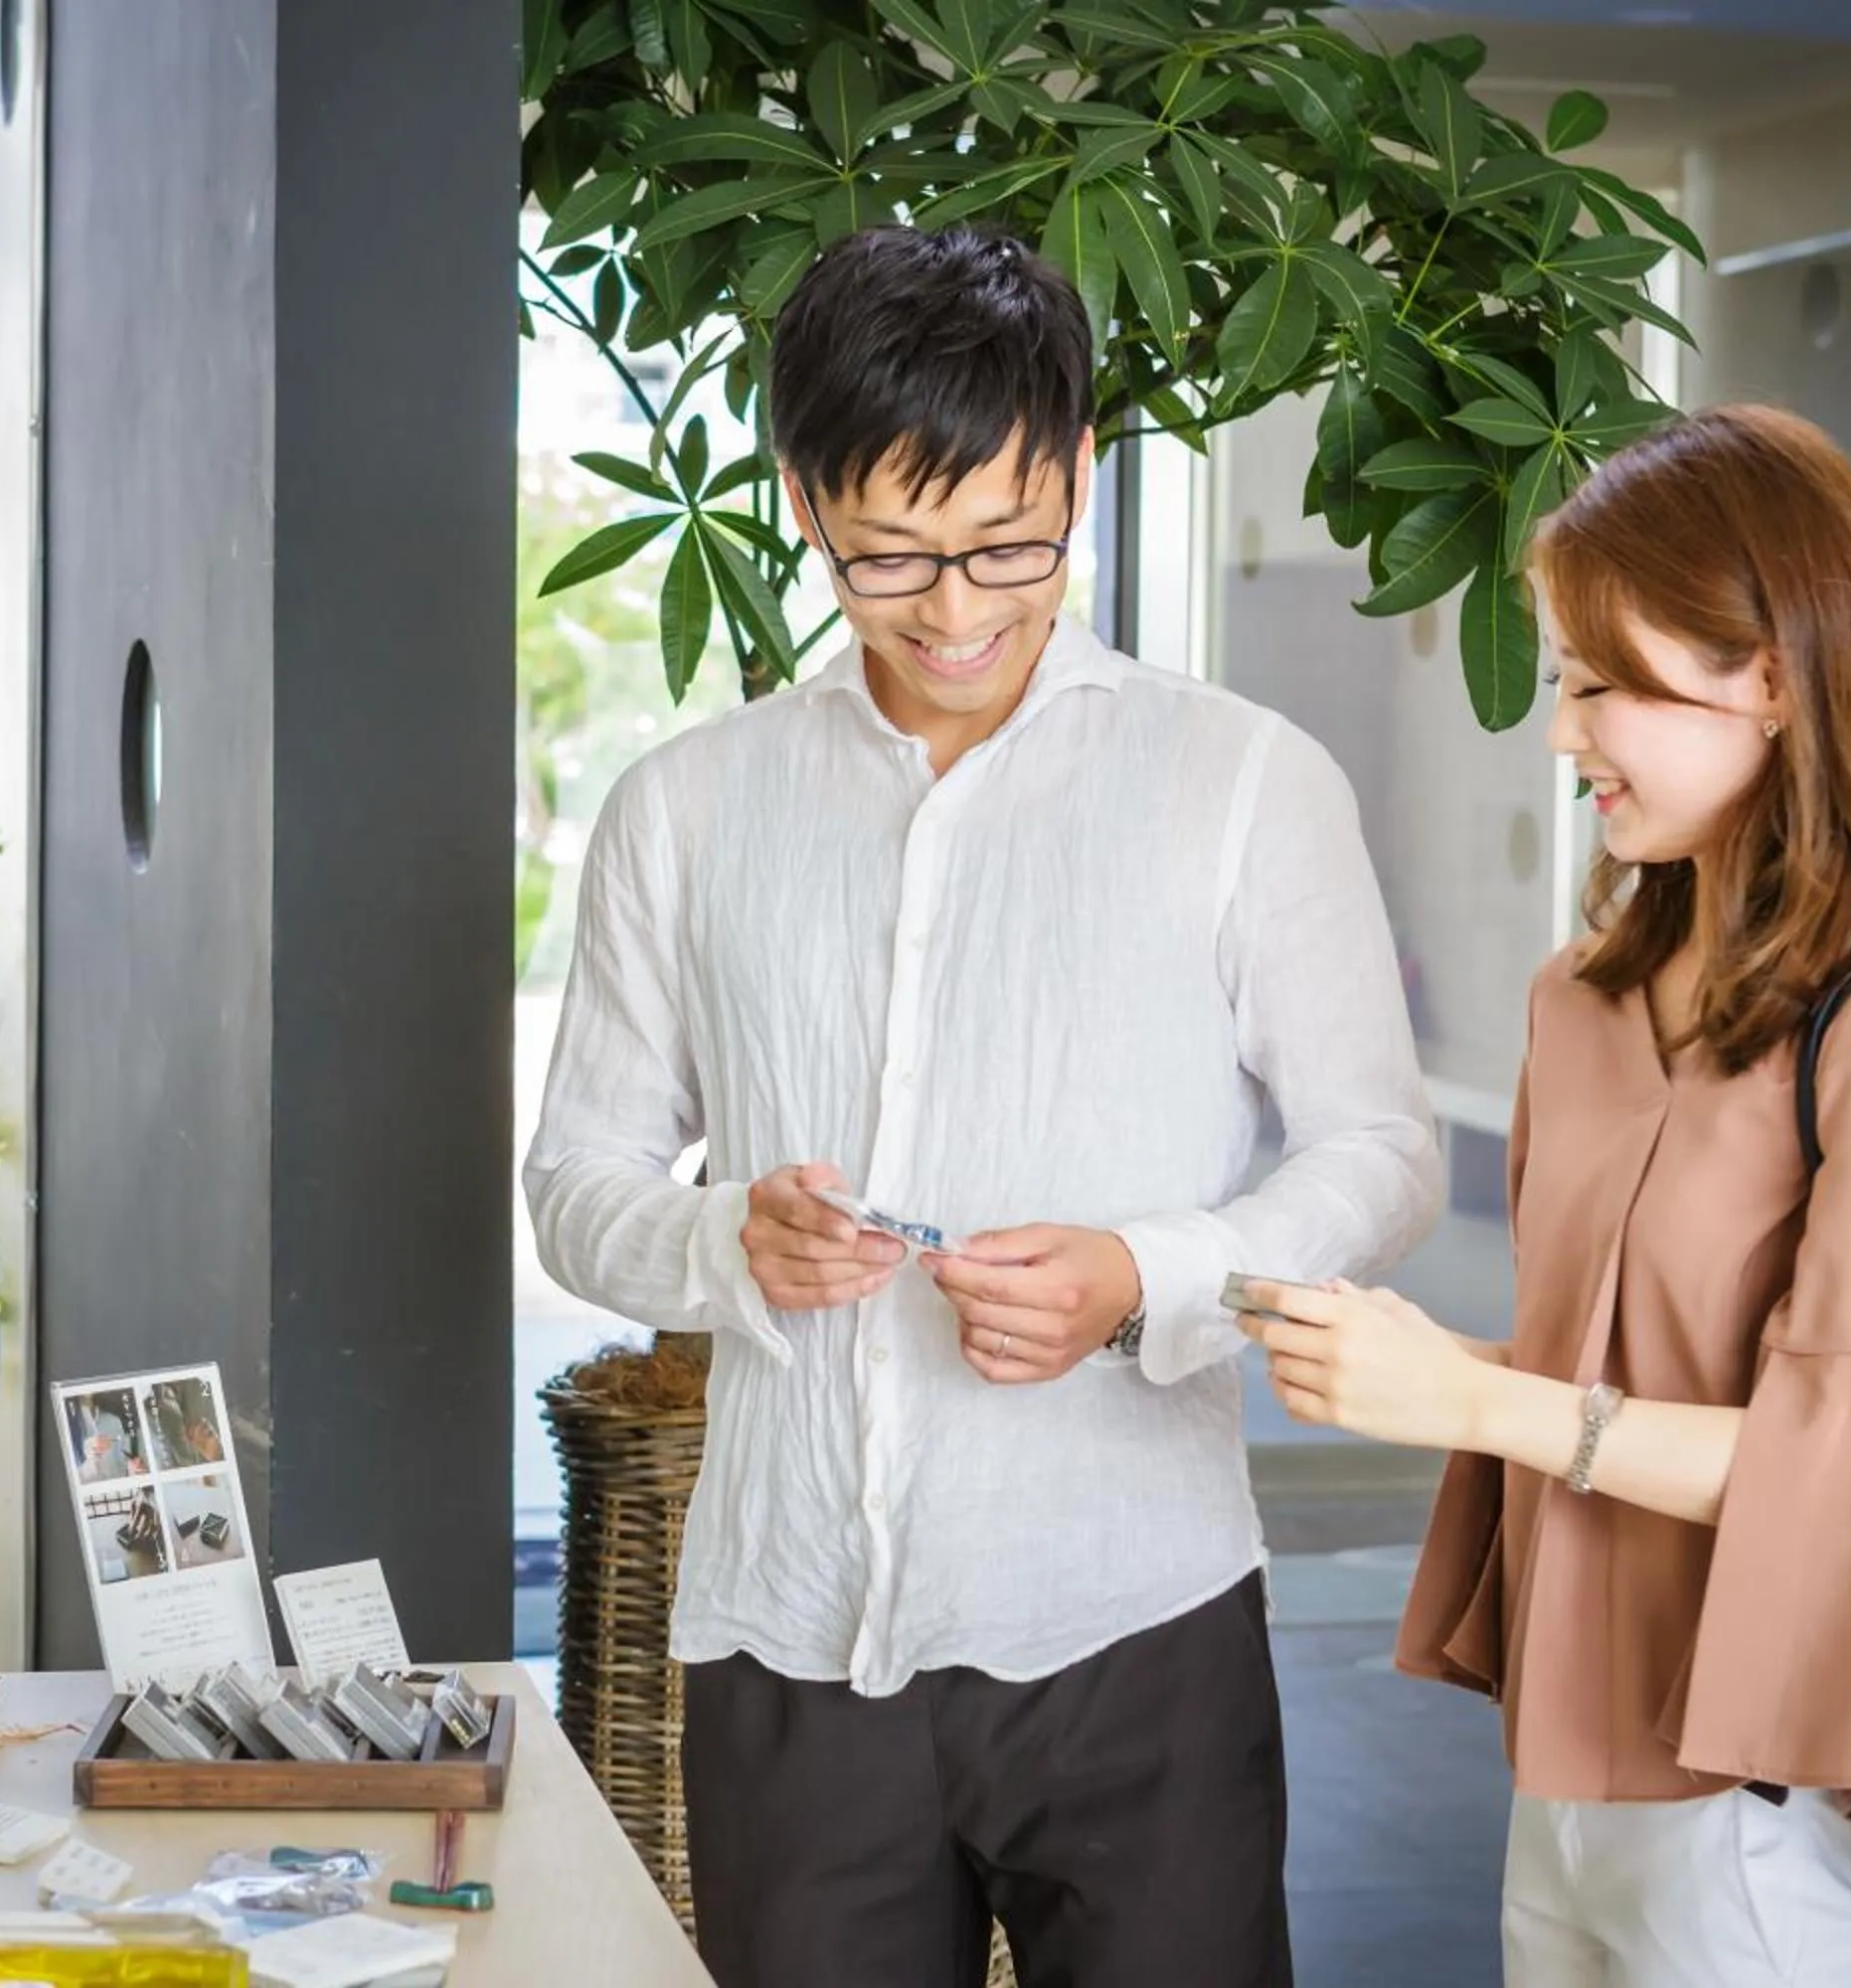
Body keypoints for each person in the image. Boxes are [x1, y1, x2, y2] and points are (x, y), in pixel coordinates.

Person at [523, 224, 1441, 1988]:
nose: (957, 612)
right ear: (801, 500)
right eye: (892, 559)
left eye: (1012, 545)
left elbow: (1381, 1155)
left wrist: (1147, 1274)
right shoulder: (688, 809)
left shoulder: (1242, 783)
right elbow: (576, 1182)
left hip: (1133, 1623)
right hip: (786, 1640)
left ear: (1083, 472)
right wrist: (728, 1238)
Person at [1237, 405, 1851, 1986]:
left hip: (1790, 1815)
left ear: (1779, 677)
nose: (1561, 732)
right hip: (1566, 1780)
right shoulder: (1579, 1007)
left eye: (1601, 682)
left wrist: (1466, 1397)